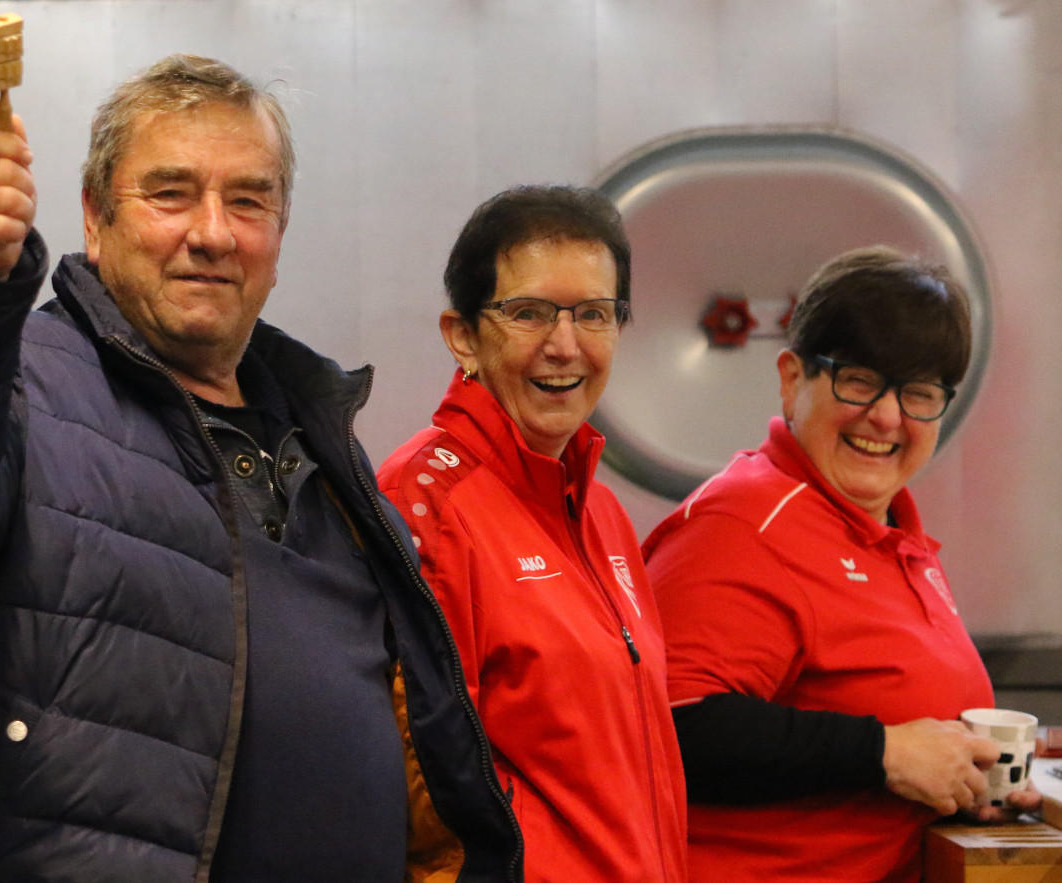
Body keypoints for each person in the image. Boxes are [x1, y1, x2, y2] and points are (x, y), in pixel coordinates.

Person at [0, 55, 521, 882]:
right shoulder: (24, 385)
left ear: (280, 230)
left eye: (249, 200)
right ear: (95, 216)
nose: (214, 233)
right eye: (171, 193)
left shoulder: (322, 433)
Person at [642, 246, 1041, 882]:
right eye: (858, 380)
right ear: (792, 378)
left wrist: (961, 781)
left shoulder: (888, 533)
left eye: (918, 393)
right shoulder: (745, 524)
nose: (886, 415)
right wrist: (884, 753)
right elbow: (670, 726)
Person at [378, 185, 689, 883]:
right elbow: (423, 791)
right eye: (529, 313)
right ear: (463, 335)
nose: (564, 346)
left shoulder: (600, 510)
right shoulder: (425, 502)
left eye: (594, 314)